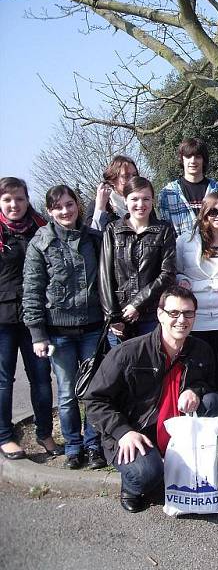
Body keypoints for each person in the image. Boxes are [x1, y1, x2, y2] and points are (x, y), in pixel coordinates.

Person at [84, 286, 218, 513]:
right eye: (174, 313)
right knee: (146, 475)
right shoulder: (128, 353)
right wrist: (122, 432)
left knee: (214, 401)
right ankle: (132, 485)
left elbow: (208, 383)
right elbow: (95, 400)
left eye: (188, 314)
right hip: (135, 432)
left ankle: (199, 469)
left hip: (178, 430)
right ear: (160, 314)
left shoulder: (201, 350)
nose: (181, 320)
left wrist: (195, 391)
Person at [22, 185, 106, 470]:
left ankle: (94, 445)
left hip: (93, 328)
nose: (65, 211)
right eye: (58, 207)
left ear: (77, 206)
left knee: (94, 390)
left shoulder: (93, 239)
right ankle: (73, 445)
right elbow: (32, 290)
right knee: (68, 393)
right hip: (59, 333)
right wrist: (37, 334)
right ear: (49, 211)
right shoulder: (40, 243)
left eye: (70, 205)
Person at [0, 177, 57, 461]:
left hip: (36, 318)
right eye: (8, 199)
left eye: (19, 198)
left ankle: (45, 433)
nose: (14, 205)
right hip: (3, 319)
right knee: (3, 380)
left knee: (41, 379)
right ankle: (5, 436)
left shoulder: (40, 228)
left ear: (26, 199)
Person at [100, 176, 177, 345]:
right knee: (121, 369)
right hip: (119, 316)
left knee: (151, 366)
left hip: (152, 314)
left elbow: (168, 274)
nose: (140, 204)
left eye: (146, 199)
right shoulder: (113, 230)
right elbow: (105, 276)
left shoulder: (164, 230)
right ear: (125, 200)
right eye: (134, 199)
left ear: (152, 201)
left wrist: (138, 304)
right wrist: (112, 316)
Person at [175, 193, 218, 365]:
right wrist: (182, 280)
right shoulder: (185, 240)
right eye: (213, 211)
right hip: (196, 316)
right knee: (199, 366)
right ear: (204, 213)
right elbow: (176, 271)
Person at [158, 137, 218, 237]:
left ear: (203, 160)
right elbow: (165, 230)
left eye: (198, 157)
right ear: (182, 159)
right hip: (180, 250)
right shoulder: (168, 193)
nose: (193, 161)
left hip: (215, 250)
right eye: (188, 157)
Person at [87, 155, 143, 231]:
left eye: (134, 175)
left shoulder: (143, 202)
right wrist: (100, 208)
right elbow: (92, 238)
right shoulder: (98, 205)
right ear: (113, 180)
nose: (132, 180)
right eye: (126, 176)